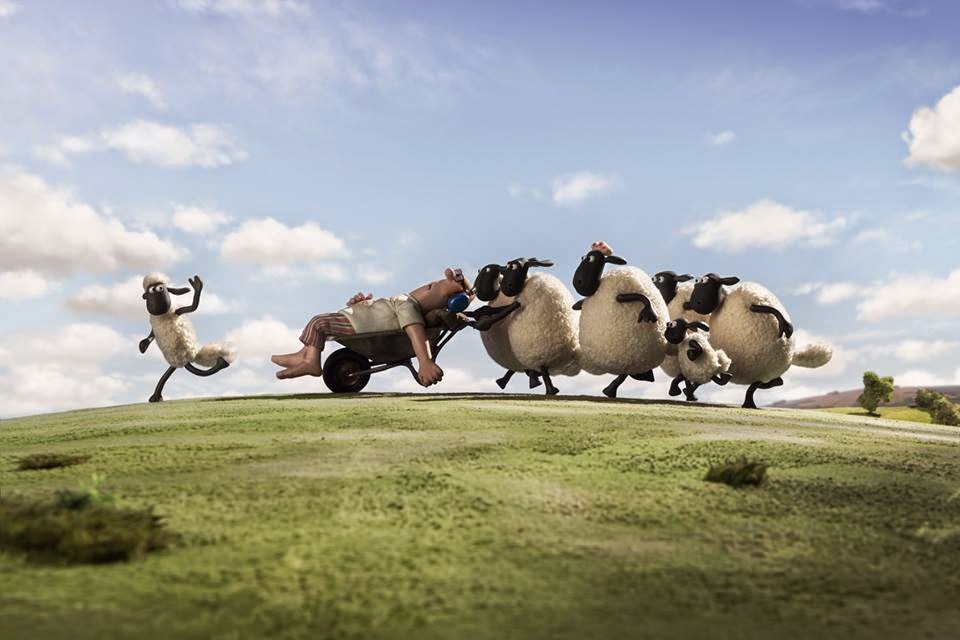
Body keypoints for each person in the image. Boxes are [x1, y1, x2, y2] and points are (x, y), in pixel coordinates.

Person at [271, 267, 474, 386]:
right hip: (359, 319)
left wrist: (425, 362)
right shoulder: (404, 301)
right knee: (318, 324)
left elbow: (415, 333)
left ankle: (312, 363)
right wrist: (364, 305)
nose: (427, 286)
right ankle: (303, 355)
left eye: (432, 287)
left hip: (360, 327)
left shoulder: (408, 305)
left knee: (319, 322)